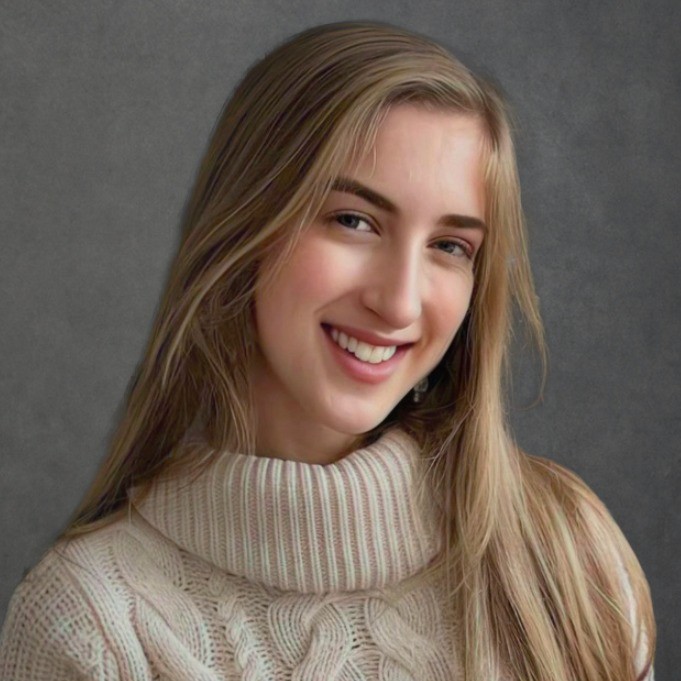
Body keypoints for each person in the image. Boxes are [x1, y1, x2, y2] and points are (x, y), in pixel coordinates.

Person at [0, 20, 655, 681]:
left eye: (449, 246)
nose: (399, 304)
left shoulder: (567, 556)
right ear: (245, 227)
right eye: (353, 220)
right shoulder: (91, 622)